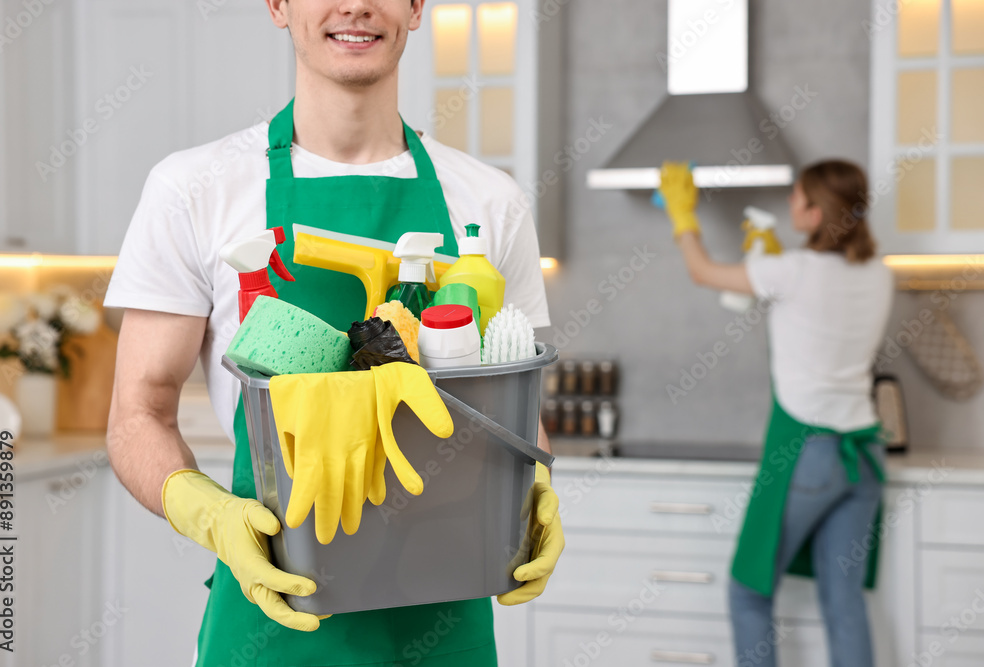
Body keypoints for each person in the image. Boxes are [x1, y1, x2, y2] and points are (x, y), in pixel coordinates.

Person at [103, 1, 564, 665]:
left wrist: (536, 487)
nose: (355, 6)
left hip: (442, 630)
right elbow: (137, 413)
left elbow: (514, 405)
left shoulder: (490, 202)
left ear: (414, 7)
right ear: (279, 5)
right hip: (272, 623)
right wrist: (209, 513)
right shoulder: (194, 190)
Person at [658, 160, 893, 667]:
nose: (790, 204)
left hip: (807, 455)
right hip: (864, 456)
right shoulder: (879, 275)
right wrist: (770, 260)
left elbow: (702, 272)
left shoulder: (792, 270)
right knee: (844, 601)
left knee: (749, 588)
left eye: (798, 198)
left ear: (815, 212)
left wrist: (683, 216)